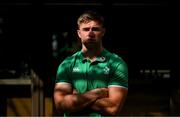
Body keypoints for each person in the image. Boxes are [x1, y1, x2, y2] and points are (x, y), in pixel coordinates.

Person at [53, 10, 128, 116]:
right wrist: (96, 93)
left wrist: (77, 97)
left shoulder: (116, 63)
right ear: (79, 33)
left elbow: (113, 108)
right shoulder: (67, 64)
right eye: (86, 29)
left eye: (95, 29)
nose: (91, 33)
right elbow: (60, 105)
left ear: (103, 32)